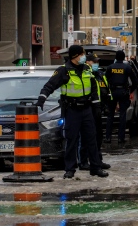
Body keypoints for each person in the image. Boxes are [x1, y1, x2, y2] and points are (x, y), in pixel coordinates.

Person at [35, 45, 108, 179]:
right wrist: (42, 98)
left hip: (87, 109)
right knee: (71, 140)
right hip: (72, 110)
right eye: (82, 54)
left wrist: (96, 106)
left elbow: (93, 88)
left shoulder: (87, 69)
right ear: (75, 56)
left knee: (91, 139)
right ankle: (70, 169)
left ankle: (95, 167)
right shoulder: (64, 71)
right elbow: (50, 85)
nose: (84, 57)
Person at [79, 53, 112, 170]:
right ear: (87, 62)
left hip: (99, 109)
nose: (96, 64)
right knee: (86, 137)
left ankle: (98, 160)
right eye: (94, 62)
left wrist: (108, 105)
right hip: (88, 109)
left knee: (98, 136)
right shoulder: (85, 74)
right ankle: (83, 161)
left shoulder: (100, 74)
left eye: (97, 62)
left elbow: (106, 90)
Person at [105, 50, 138, 143]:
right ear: (123, 58)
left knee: (110, 115)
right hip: (123, 92)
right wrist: (130, 91)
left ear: (115, 57)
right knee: (122, 115)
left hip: (112, 92)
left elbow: (105, 80)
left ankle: (108, 137)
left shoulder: (110, 67)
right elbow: (135, 81)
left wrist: (108, 91)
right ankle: (121, 138)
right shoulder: (127, 67)